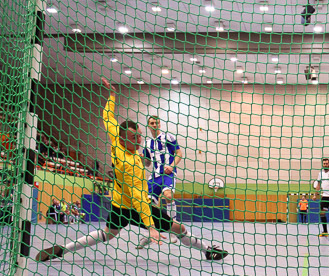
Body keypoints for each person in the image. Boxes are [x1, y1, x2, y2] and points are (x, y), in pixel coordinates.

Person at [35, 78, 228, 262]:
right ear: (123, 139)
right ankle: (208, 251)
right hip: (135, 208)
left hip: (119, 205)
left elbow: (107, 117)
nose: (138, 140)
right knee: (179, 228)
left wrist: (111, 95)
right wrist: (151, 227)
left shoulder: (115, 141)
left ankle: (62, 250)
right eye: (134, 138)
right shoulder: (133, 163)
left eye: (139, 136)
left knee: (108, 234)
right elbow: (138, 197)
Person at [135, 115, 183, 249]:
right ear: (148, 125)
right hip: (154, 177)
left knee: (168, 195)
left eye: (156, 123)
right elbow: (147, 163)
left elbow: (179, 153)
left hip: (168, 173)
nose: (154, 125)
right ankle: (150, 234)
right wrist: (142, 159)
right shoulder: (146, 143)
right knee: (147, 205)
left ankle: (173, 226)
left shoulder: (168, 137)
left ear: (160, 124)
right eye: (152, 123)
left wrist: (172, 166)